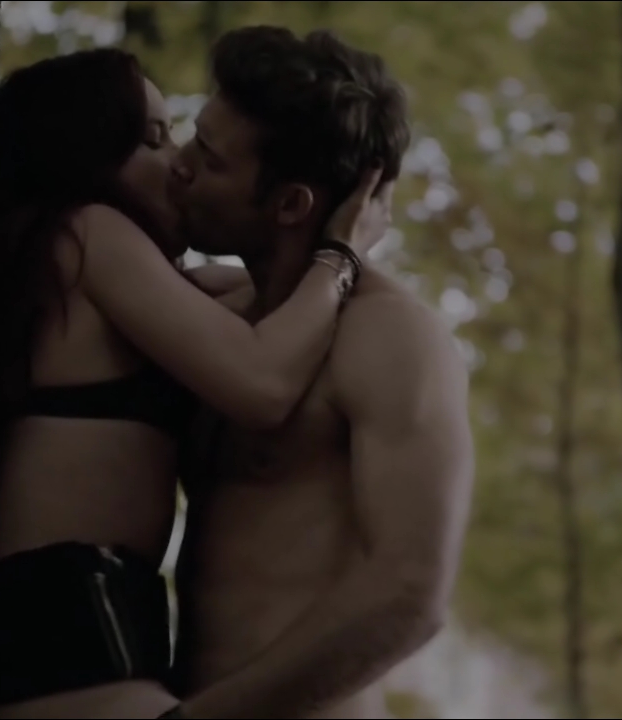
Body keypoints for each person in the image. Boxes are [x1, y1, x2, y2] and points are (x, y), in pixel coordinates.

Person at [0, 47, 393, 719]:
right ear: (87, 154)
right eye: (153, 140)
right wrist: (340, 256)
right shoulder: (88, 230)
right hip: (65, 642)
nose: (178, 163)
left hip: (96, 644)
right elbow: (262, 383)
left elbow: (253, 302)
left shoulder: (94, 262)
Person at [167, 27, 476, 719]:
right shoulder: (220, 317)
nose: (179, 165)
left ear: (289, 205)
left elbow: (411, 594)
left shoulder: (392, 337)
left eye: (209, 160)